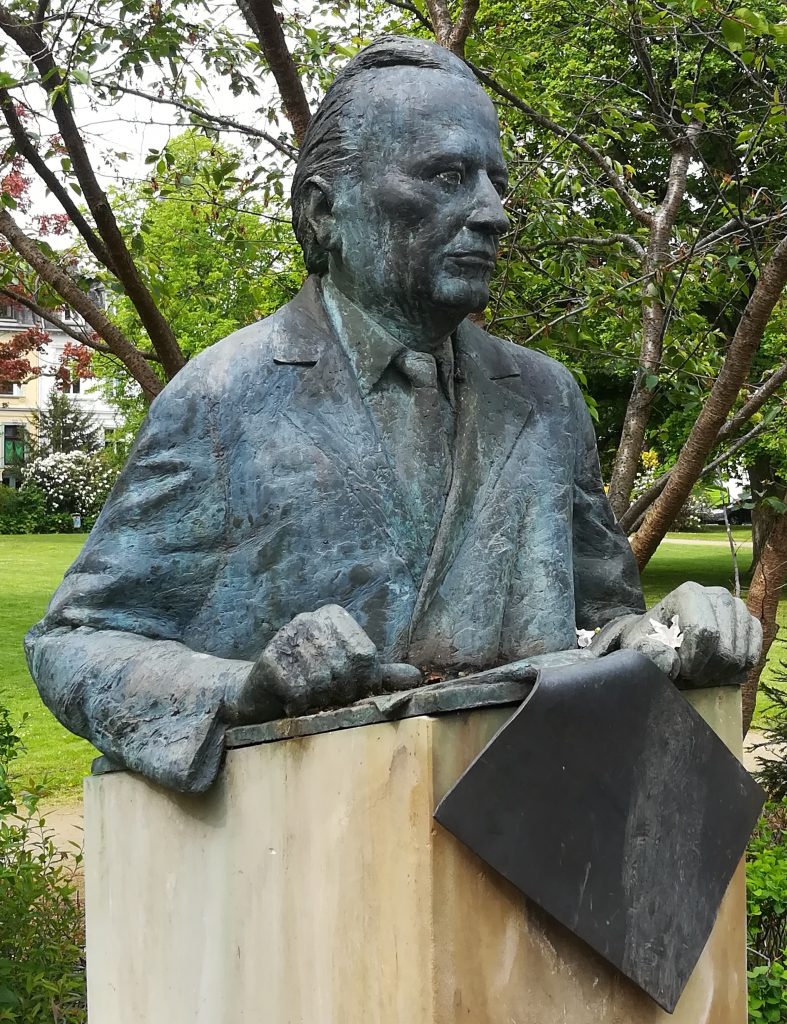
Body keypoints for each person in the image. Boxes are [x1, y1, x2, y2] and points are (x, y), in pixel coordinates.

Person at [25, 37, 760, 792]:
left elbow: (602, 621)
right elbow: (74, 641)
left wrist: (670, 630)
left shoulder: (545, 397)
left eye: (495, 183)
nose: (493, 214)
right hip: (315, 827)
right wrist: (243, 687)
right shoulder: (223, 399)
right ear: (324, 211)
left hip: (532, 820)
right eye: (446, 176)